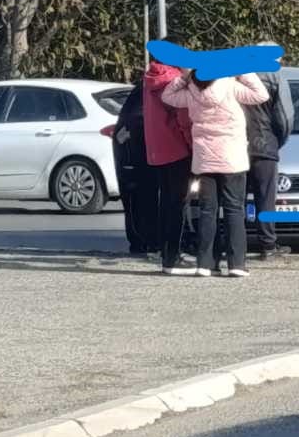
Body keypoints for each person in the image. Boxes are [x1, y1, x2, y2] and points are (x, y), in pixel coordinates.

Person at [161, 71, 269, 277]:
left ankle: (206, 263)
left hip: (204, 160)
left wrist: (184, 78)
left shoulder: (191, 92)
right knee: (234, 210)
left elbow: (167, 96)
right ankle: (236, 263)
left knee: (207, 211)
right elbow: (260, 94)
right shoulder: (230, 86)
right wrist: (243, 72)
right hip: (232, 158)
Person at [143, 58, 196, 275]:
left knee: (165, 203)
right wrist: (192, 145)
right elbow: (182, 116)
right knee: (177, 205)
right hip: (177, 148)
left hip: (157, 149)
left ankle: (167, 254)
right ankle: (173, 257)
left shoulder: (149, 79)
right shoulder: (174, 80)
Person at [244, 52, 294, 261]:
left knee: (236, 200)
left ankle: (236, 245)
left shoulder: (238, 76)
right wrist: (278, 140)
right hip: (265, 144)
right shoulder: (276, 77)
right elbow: (285, 116)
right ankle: (268, 245)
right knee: (265, 198)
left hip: (239, 145)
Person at [111, 80, 159, 255]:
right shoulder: (152, 91)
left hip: (133, 155)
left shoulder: (144, 90)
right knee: (146, 200)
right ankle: (147, 242)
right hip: (137, 155)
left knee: (137, 201)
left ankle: (141, 242)